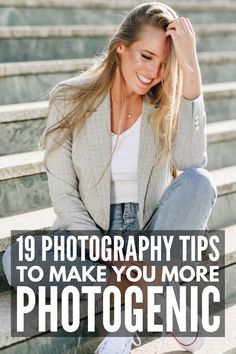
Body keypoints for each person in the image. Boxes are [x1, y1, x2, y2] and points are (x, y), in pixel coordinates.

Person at [2, 1, 217, 353]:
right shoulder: (69, 98)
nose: (153, 72)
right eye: (146, 56)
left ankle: (126, 325)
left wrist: (191, 68)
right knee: (17, 261)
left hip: (149, 234)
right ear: (121, 47)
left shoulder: (164, 102)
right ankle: (159, 287)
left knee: (200, 183)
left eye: (164, 63)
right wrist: (110, 253)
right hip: (89, 238)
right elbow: (65, 199)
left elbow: (193, 162)